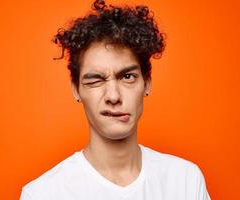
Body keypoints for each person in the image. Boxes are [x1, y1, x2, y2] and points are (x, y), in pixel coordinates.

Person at [20, 0, 211, 199]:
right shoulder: (42, 194)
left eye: (127, 77)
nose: (113, 96)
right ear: (76, 89)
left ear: (146, 83)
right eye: (96, 80)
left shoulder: (186, 181)